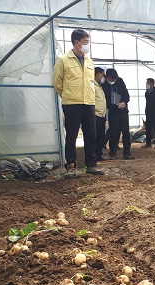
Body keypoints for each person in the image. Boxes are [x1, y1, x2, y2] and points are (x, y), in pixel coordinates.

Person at [52, 29, 103, 177]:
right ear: (76, 42)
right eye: (85, 42)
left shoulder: (89, 61)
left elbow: (90, 82)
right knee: (72, 135)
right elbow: (57, 83)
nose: (88, 45)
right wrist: (68, 96)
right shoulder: (63, 60)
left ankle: (91, 165)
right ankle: (71, 166)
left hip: (88, 103)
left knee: (90, 135)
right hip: (72, 104)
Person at [102, 68, 134, 160]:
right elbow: (105, 102)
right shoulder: (104, 86)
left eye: (115, 79)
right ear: (107, 77)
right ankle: (112, 153)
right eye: (112, 79)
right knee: (114, 132)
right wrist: (116, 106)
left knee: (126, 132)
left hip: (123, 110)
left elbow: (126, 94)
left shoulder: (120, 81)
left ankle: (127, 152)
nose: (113, 80)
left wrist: (124, 102)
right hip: (113, 112)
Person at [93, 67, 109, 161]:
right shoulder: (92, 86)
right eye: (102, 75)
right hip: (95, 115)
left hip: (102, 115)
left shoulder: (99, 86)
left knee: (100, 136)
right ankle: (93, 155)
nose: (103, 77)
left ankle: (99, 154)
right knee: (94, 137)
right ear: (98, 74)